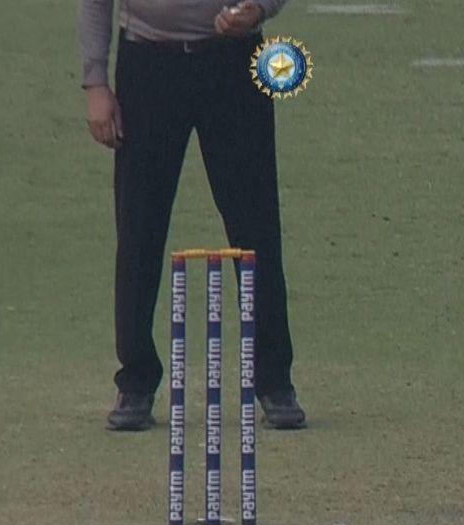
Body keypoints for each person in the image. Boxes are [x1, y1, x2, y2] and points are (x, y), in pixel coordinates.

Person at [79, 0, 307, 431]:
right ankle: (136, 381)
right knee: (139, 226)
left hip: (234, 61)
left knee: (255, 223)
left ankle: (275, 381)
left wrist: (258, 9)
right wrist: (95, 81)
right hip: (147, 63)